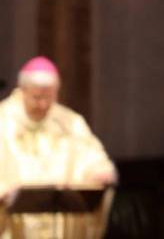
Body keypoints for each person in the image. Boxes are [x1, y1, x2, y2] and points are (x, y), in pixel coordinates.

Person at [0, 56, 117, 237]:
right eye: (37, 97)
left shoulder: (71, 122)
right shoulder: (3, 121)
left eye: (50, 97)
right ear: (23, 90)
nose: (44, 104)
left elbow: (93, 158)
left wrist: (99, 173)